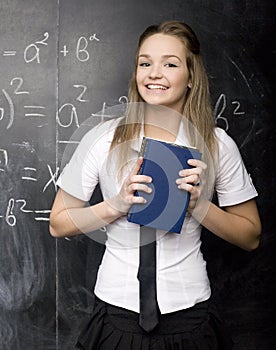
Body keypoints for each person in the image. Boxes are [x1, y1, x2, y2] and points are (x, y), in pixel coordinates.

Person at [49, 20, 261, 349]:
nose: (154, 73)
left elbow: (250, 236)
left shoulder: (217, 144)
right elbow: (58, 224)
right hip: (115, 313)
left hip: (189, 314)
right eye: (145, 63)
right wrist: (114, 206)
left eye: (170, 64)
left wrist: (199, 207)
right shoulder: (102, 139)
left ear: (191, 77)